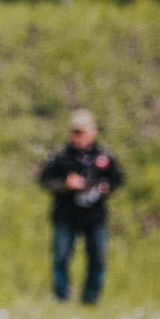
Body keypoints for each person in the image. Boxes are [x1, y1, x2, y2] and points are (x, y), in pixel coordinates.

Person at [37, 108, 123, 304]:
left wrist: (105, 187)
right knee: (61, 256)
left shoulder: (102, 156)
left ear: (91, 132)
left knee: (97, 257)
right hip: (66, 214)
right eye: (74, 132)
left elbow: (117, 180)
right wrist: (65, 184)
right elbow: (45, 180)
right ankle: (61, 295)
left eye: (81, 132)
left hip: (94, 215)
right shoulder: (61, 155)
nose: (77, 137)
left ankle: (91, 297)